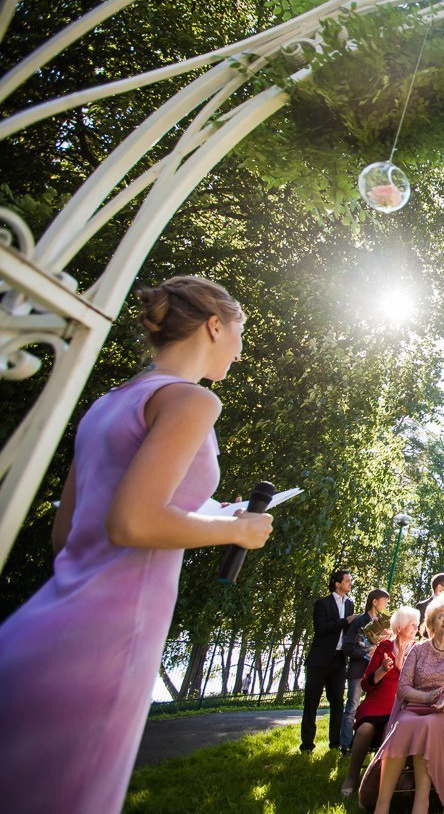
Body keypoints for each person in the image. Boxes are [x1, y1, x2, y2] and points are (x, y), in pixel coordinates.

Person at [0, 276, 270, 813]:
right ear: (215, 326)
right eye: (239, 333)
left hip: (44, 622)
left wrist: (210, 514)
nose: (240, 351)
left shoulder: (108, 403)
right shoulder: (192, 401)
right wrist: (237, 530)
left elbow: (68, 532)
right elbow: (134, 523)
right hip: (110, 641)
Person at [370, 594, 444, 814]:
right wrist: (426, 697)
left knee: (426, 727)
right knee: (405, 724)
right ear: (431, 623)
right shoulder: (418, 650)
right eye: (440, 616)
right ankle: (382, 804)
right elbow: (403, 688)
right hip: (416, 707)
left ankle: (422, 801)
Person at [342, 606, 419, 798]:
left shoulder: (419, 649)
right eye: (413, 625)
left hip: (402, 705)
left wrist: (402, 667)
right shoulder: (384, 647)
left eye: (417, 625)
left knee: (390, 731)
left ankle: (382, 781)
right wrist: (382, 670)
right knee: (364, 729)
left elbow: (420, 683)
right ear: (400, 626)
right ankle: (351, 777)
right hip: (377, 703)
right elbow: (366, 684)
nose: (417, 629)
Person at [302, 569, 355, 752]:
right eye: (347, 581)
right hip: (319, 660)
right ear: (337, 583)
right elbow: (321, 628)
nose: (350, 583)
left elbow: (348, 630)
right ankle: (307, 744)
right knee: (311, 702)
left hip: (339, 660)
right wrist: (345, 621)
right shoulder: (322, 603)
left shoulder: (350, 604)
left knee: (338, 703)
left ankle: (335, 743)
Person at [343, 588, 391, 753]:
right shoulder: (359, 621)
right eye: (384, 602)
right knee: (352, 706)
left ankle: (369, 744)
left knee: (371, 707)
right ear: (375, 602)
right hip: (359, 669)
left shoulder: (384, 623)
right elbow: (347, 646)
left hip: (377, 673)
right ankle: (347, 745)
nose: (386, 605)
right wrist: (365, 654)